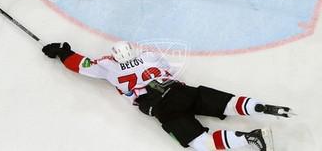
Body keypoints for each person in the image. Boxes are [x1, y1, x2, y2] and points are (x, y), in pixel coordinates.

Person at [42, 41, 292, 150]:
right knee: (225, 103)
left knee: (201, 143)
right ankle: (261, 107)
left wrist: (63, 52)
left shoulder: (109, 66)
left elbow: (82, 65)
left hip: (161, 107)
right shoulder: (149, 56)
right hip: (180, 90)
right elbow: (169, 70)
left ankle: (250, 138)